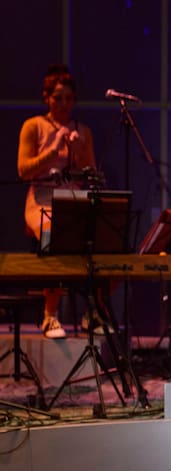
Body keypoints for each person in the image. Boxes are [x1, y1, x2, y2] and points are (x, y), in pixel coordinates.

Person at [17, 64, 97, 339]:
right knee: (54, 234)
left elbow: (91, 174)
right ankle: (50, 314)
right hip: (41, 199)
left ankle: (92, 312)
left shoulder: (82, 131)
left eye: (68, 98)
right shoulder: (33, 126)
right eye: (58, 97)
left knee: (105, 238)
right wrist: (52, 151)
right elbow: (23, 170)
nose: (64, 104)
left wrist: (79, 151)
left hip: (73, 199)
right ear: (47, 98)